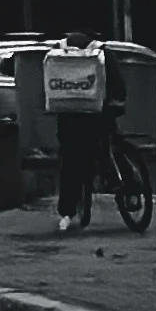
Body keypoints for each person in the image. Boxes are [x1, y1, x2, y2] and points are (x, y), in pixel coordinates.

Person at [44, 38, 109, 232]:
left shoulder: (57, 51)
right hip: (94, 114)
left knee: (69, 161)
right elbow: (115, 82)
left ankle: (67, 211)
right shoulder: (100, 51)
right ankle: (109, 175)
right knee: (103, 143)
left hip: (68, 116)